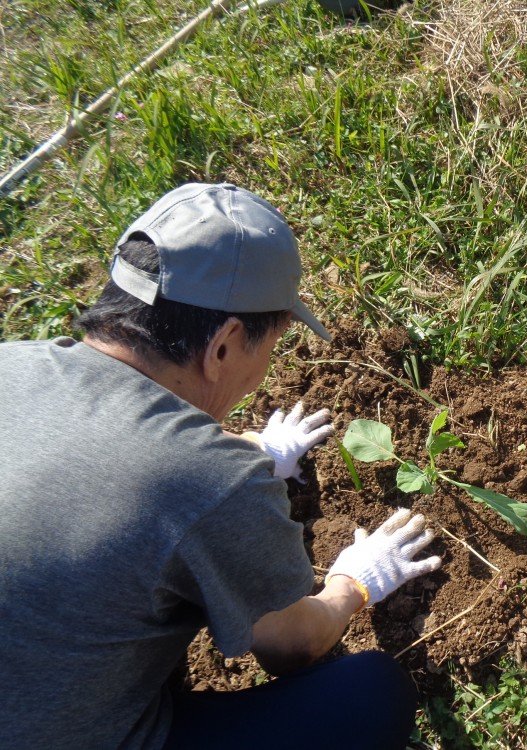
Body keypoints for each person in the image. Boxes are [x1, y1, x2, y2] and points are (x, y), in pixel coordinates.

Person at [0, 183, 442, 749]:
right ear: (226, 345)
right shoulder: (210, 480)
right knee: (371, 693)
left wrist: (241, 461)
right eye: (274, 342)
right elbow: (290, 648)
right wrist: (352, 583)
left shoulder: (16, 363)